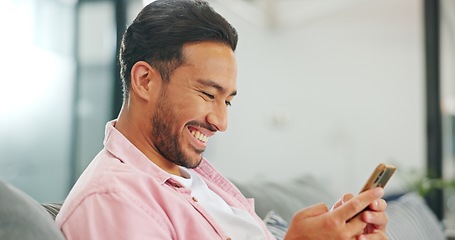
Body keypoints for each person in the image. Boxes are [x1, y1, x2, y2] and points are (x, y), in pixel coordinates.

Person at [56, 0, 388, 239]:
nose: (221, 121)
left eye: (227, 100)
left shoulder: (196, 181)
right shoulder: (112, 200)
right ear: (145, 80)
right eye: (207, 94)